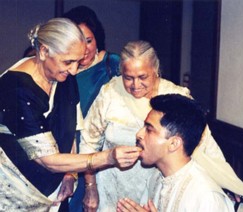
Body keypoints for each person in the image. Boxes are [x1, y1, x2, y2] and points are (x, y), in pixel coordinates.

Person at [80, 40, 243, 212]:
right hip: (113, 187)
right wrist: (90, 187)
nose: (135, 85)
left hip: (164, 186)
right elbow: (89, 142)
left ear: (156, 70)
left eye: (142, 77)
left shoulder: (175, 97)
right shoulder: (110, 93)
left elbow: (203, 142)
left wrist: (227, 181)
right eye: (128, 78)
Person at [0, 18, 141, 212]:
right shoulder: (16, 88)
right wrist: (108, 157)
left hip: (56, 190)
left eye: (78, 61)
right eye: (68, 61)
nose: (75, 69)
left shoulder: (64, 75)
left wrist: (70, 174)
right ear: (43, 51)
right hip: (16, 193)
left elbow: (71, 128)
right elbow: (47, 159)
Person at [117, 94, 234, 212]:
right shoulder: (157, 176)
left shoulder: (206, 197)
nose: (139, 134)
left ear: (174, 144)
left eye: (149, 129)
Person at [62, 6, 120, 211]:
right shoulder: (63, 72)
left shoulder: (112, 65)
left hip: (103, 159)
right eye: (77, 41)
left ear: (98, 38)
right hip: (69, 157)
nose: (84, 48)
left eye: (89, 40)